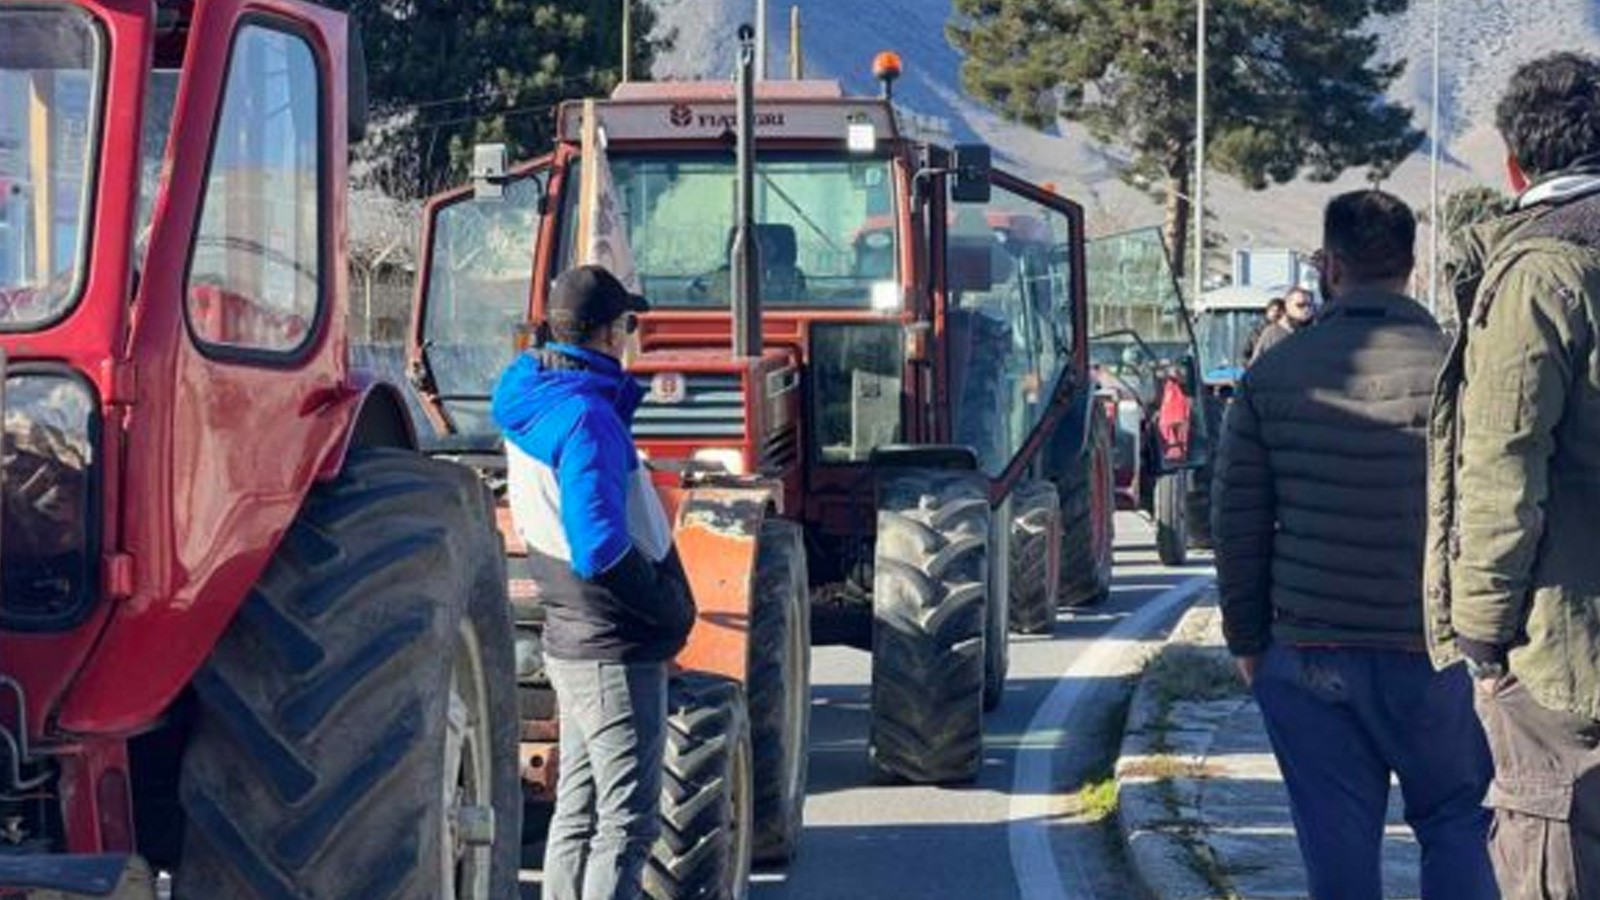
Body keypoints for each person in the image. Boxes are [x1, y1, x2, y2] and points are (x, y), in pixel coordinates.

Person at [1214, 190, 1496, 900]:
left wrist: (1248, 642)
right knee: (1459, 821)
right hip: (1437, 650)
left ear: (1328, 266)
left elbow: (1239, 523)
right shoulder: (1461, 373)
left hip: (1311, 654)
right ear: (1410, 264)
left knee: (1336, 851)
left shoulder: (1271, 376)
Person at [1426, 52, 1600, 899]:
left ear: (1513, 164)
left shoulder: (1540, 273)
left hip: (1566, 656)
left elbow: (1503, 467)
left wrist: (1483, 640)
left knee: (1546, 853)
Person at [491, 265, 696, 900]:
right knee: (627, 826)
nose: (630, 337)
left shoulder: (529, 391)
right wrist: (663, 610)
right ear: (609, 335)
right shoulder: (587, 418)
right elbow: (601, 546)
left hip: (571, 640)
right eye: (627, 325)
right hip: (613, 644)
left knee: (576, 815)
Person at [1249, 286, 1315, 362]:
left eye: (1309, 305)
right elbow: (1255, 366)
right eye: (1300, 305)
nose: (1306, 310)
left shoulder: (1315, 332)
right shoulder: (1272, 334)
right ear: (1287, 306)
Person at [1240, 296, 1287, 364]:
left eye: (1279, 311)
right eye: (1273, 310)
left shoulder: (1288, 331)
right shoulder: (1258, 331)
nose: (1276, 313)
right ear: (1267, 312)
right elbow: (1246, 354)